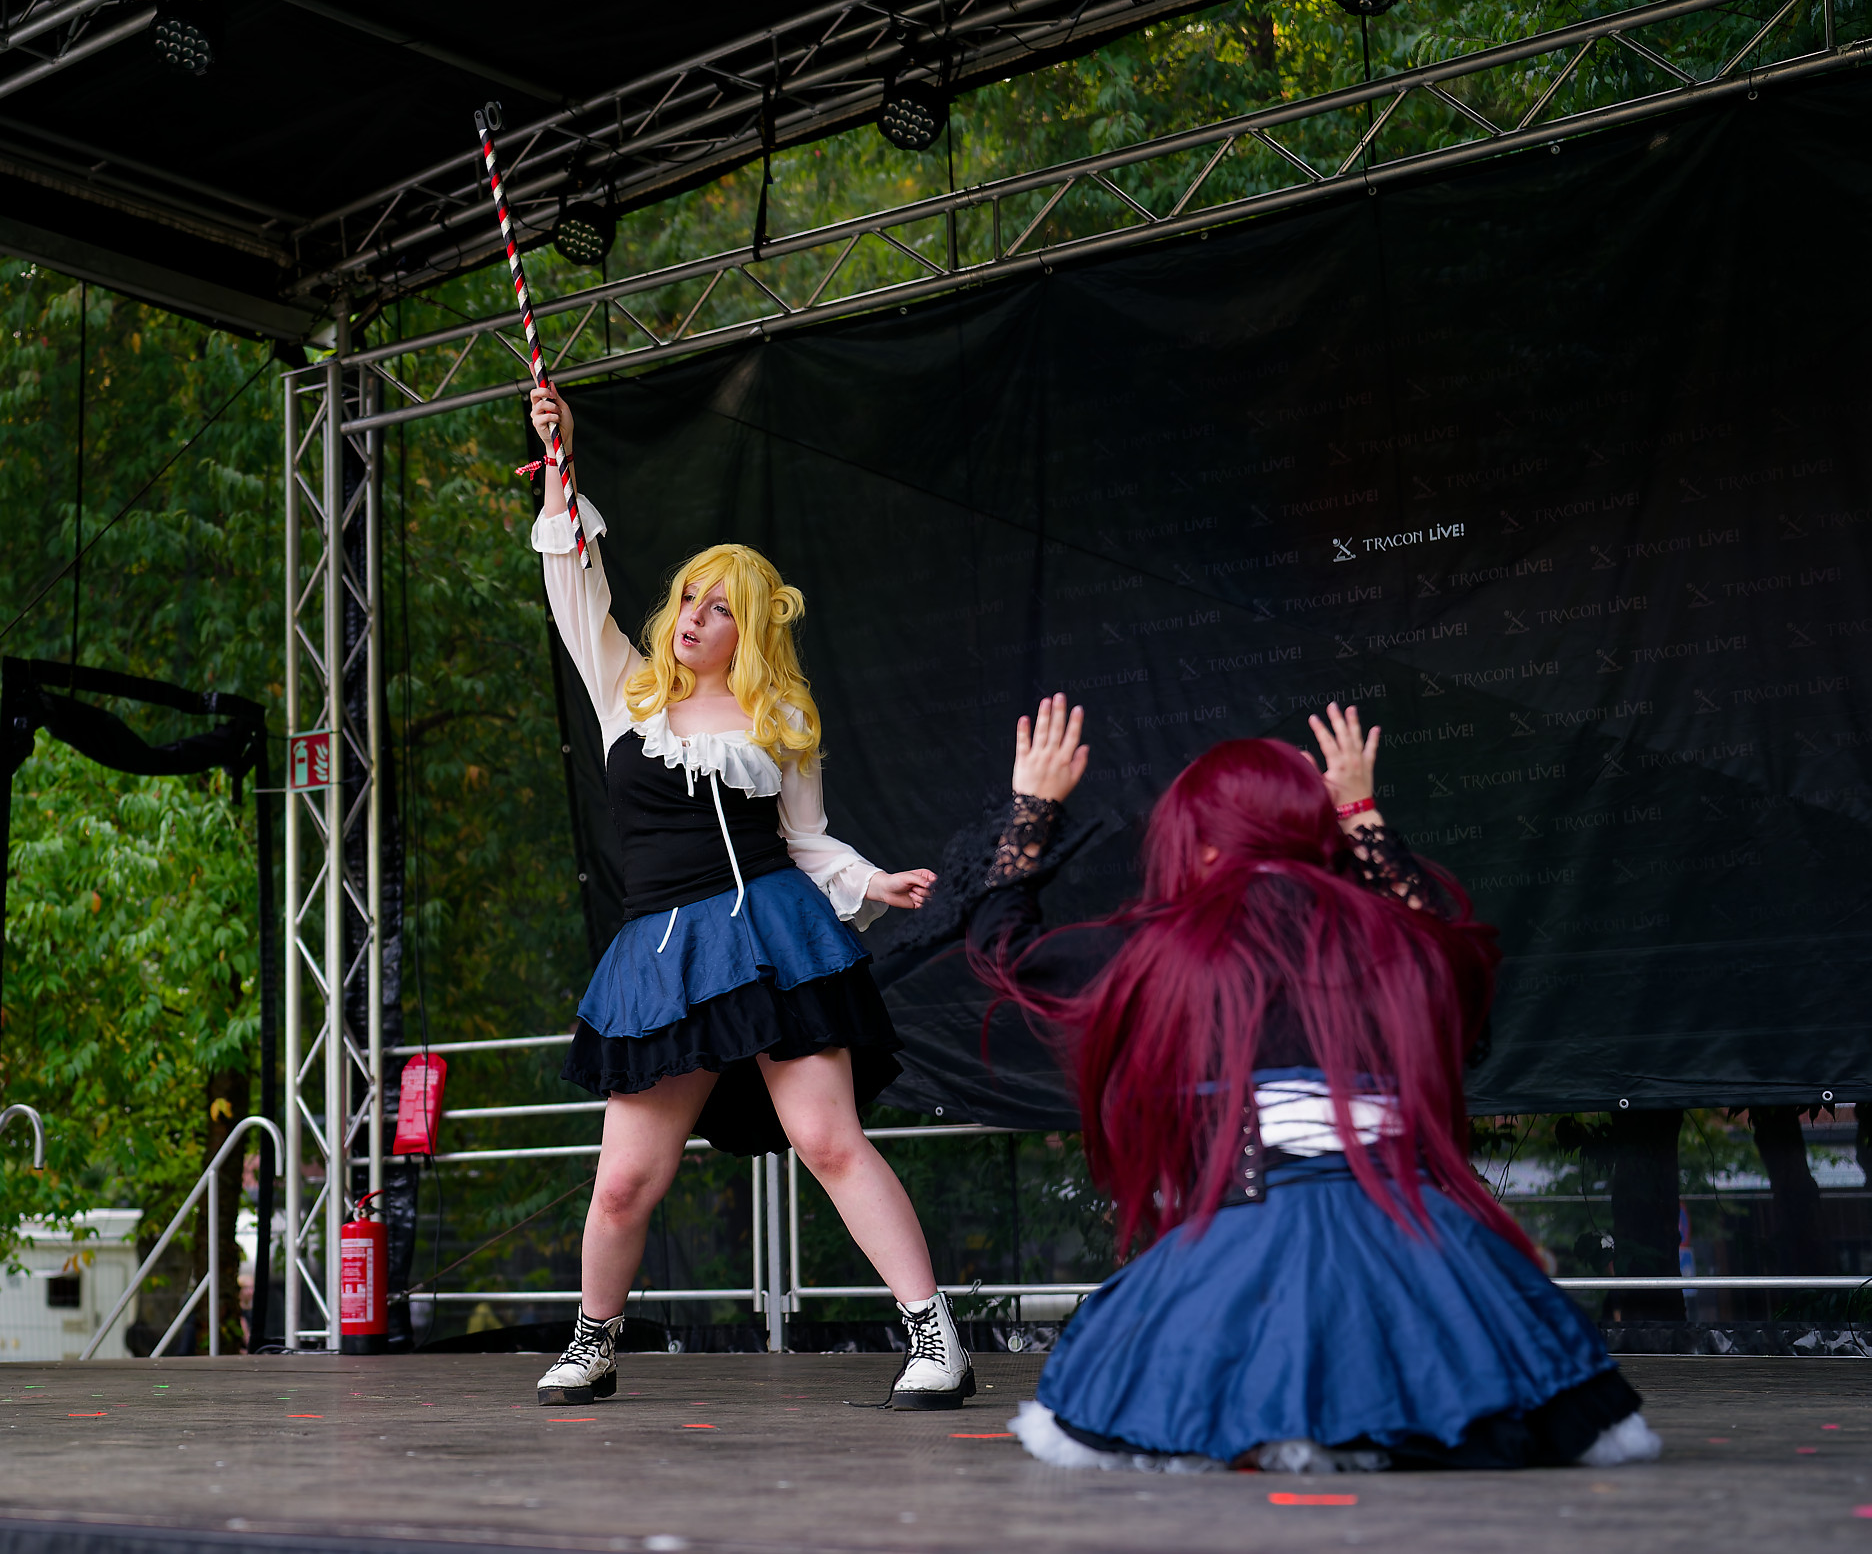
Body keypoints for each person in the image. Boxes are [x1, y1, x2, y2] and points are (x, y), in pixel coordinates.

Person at [970, 699, 1659, 1471]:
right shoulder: (1395, 939)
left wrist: (1034, 806)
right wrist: (1362, 813)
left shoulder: (1156, 948)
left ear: (1200, 844)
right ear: (1317, 830)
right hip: (1421, 1248)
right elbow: (1457, 954)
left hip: (1240, 1249)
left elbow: (1004, 947)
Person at [523, 386, 971, 1411]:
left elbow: (806, 840)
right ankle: (593, 1341)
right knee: (624, 1182)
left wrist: (872, 881)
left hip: (771, 933)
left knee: (828, 1140)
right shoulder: (627, 691)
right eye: (689, 597)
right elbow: (572, 582)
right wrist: (559, 462)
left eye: (719, 606)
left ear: (751, 625)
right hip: (660, 957)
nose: (693, 617)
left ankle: (934, 1335)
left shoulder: (782, 720)